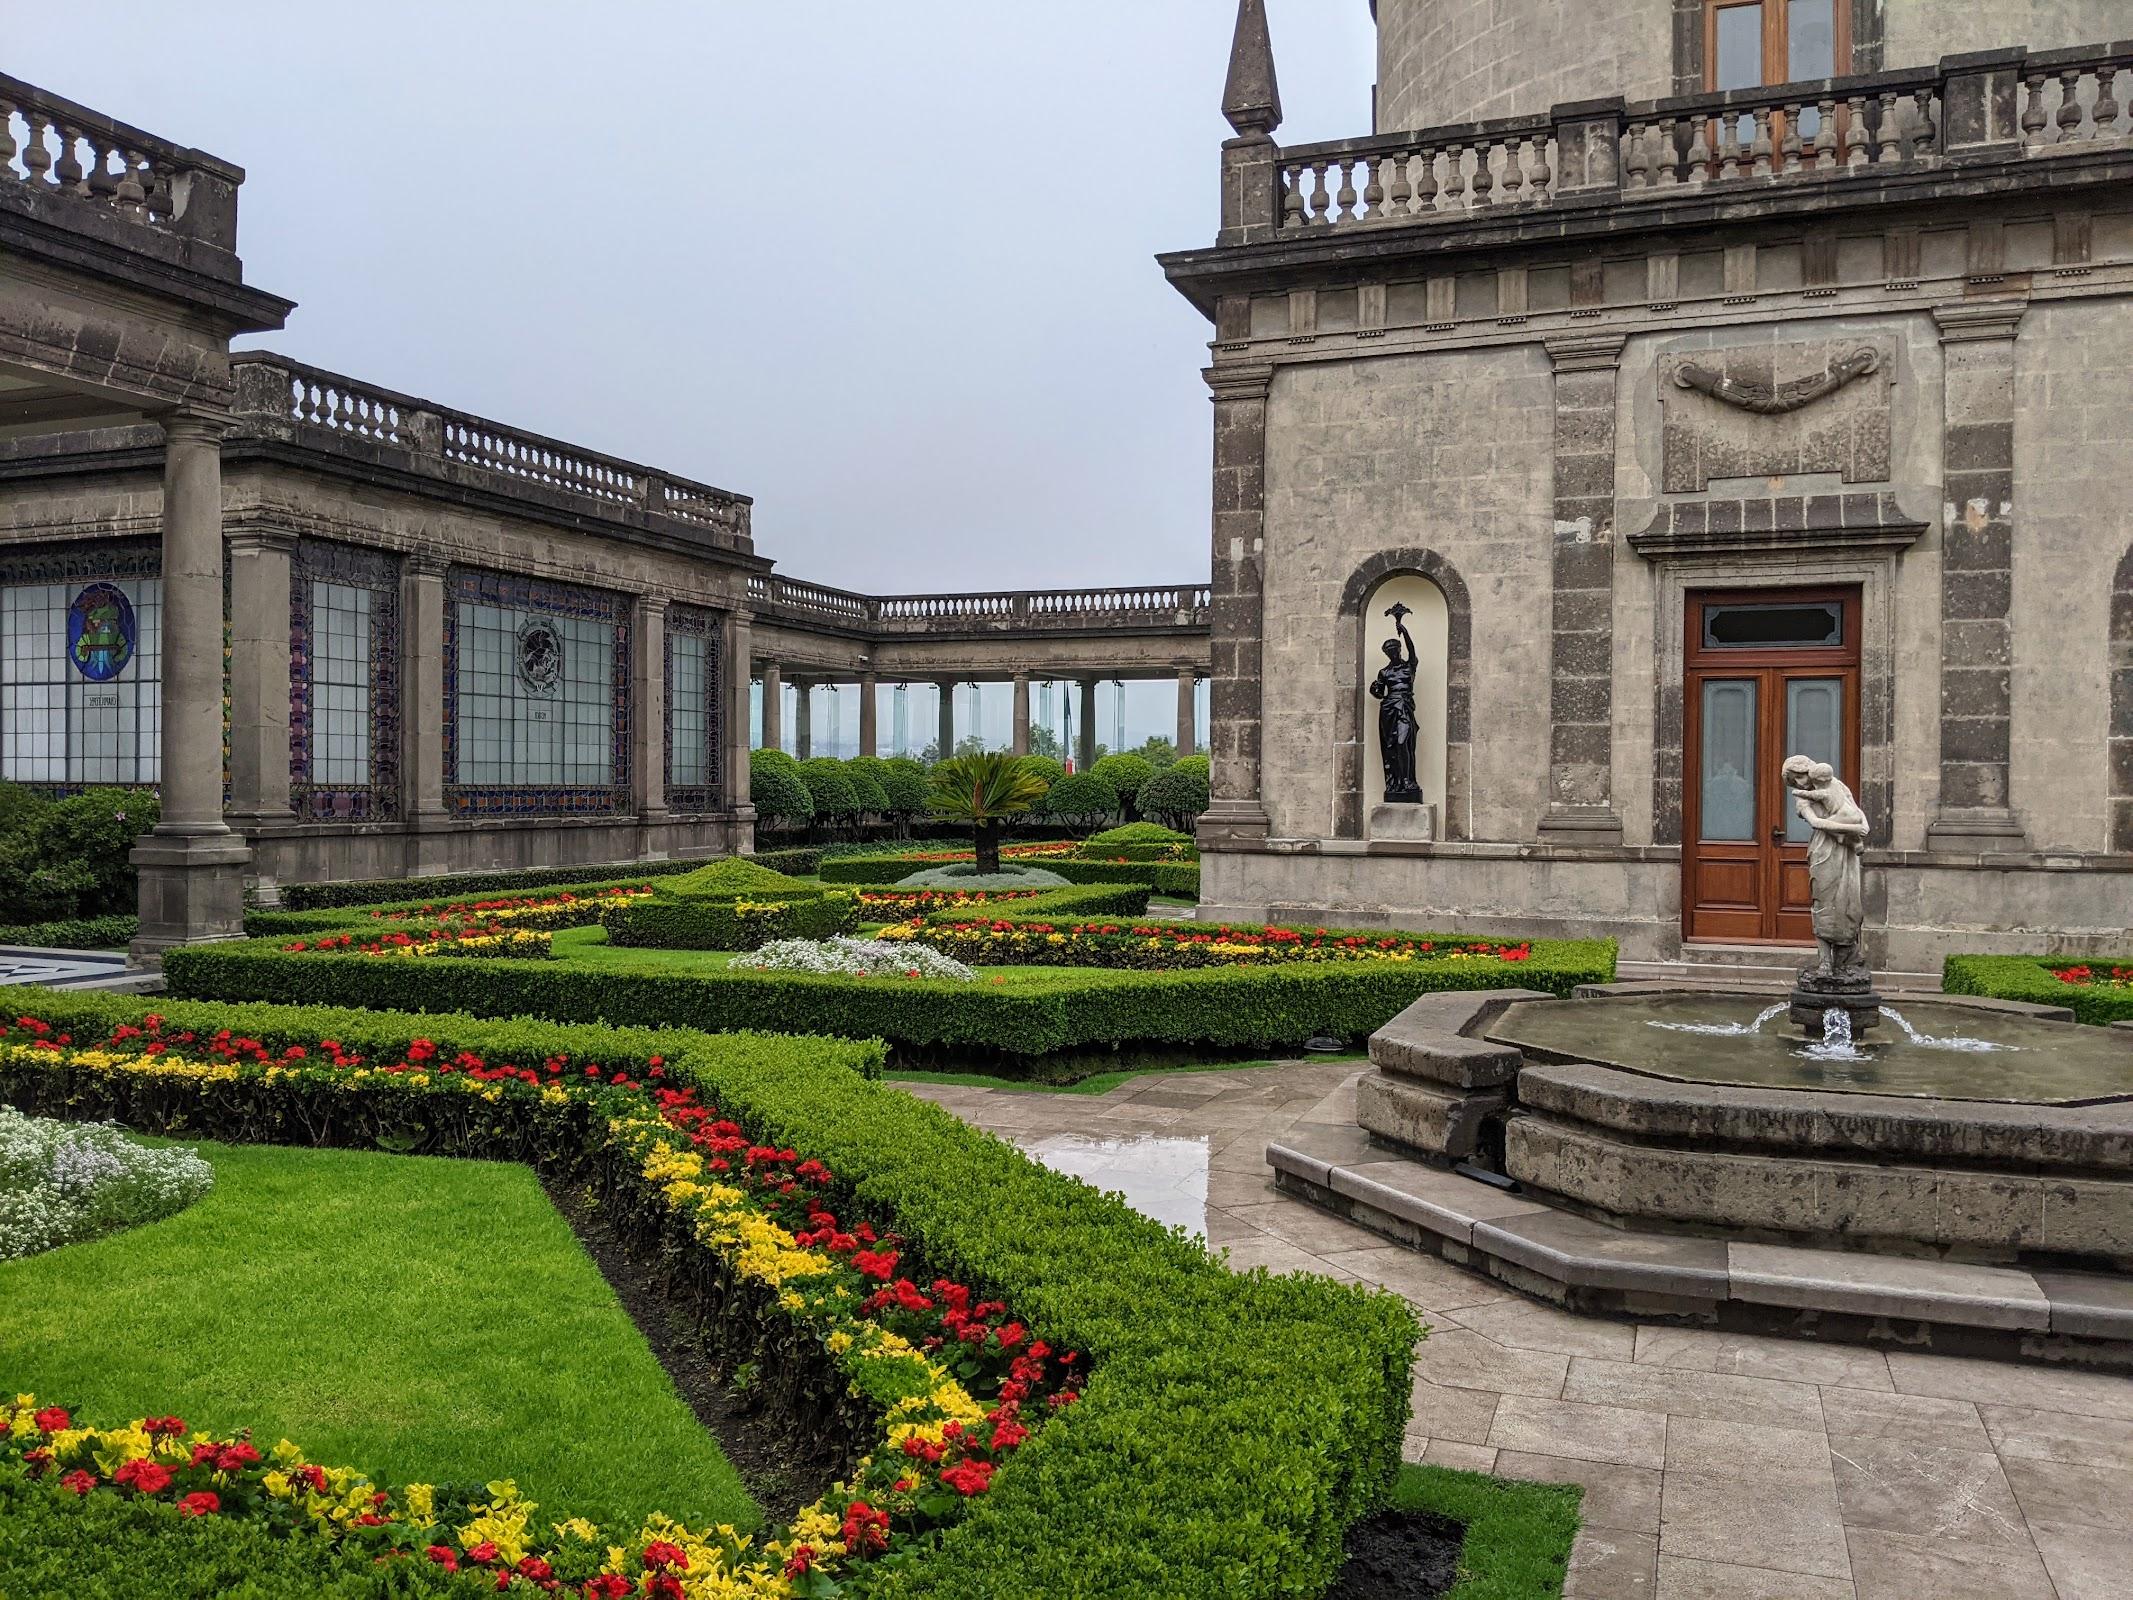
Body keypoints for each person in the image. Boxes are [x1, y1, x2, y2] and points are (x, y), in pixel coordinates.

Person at [1782, 755, 1868, 980]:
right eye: (1795, 780)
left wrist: (1862, 828)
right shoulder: (1803, 799)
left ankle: (1845, 958)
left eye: (1801, 776)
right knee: (1823, 904)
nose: (1800, 783)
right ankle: (1825, 962)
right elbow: (1816, 823)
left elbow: (1859, 814)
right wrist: (1852, 830)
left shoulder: (1836, 785)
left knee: (1849, 905)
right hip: (1823, 850)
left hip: (1846, 852)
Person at [1370, 604, 1422, 803]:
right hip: (1389, 709)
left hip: (1405, 707)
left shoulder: (1410, 666)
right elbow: (1378, 693)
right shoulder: (1384, 672)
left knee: (1404, 743)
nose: (1393, 653)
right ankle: (1398, 783)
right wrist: (1374, 690)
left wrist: (1404, 630)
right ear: (1386, 653)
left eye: (1395, 649)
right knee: (1392, 747)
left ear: (1399, 649)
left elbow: (1412, 650)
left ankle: (1408, 780)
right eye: (1389, 651)